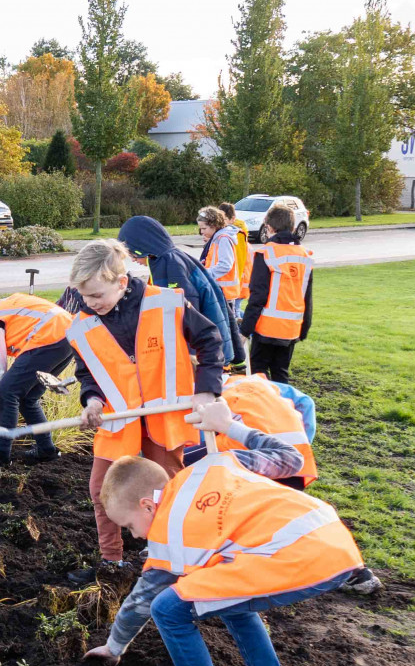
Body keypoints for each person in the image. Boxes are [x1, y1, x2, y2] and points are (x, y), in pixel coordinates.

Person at [91, 444, 380, 666]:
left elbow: (141, 601)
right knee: (224, 595)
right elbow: (282, 458)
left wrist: (114, 647)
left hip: (293, 554)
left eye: (130, 526)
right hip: (331, 540)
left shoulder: (169, 530)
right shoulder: (205, 469)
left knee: (168, 608)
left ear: (148, 506)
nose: (135, 537)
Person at [64, 240, 225, 570]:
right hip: (118, 418)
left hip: (163, 417)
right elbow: (88, 372)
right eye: (84, 296)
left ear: (121, 283)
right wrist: (92, 400)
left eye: (97, 295)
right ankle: (112, 560)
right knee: (100, 489)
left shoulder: (167, 304)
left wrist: (207, 390)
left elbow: (211, 342)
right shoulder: (82, 325)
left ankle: (169, 554)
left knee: (167, 488)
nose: (91, 303)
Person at [0, 290, 75, 464]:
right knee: (27, 397)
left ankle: (1, 454)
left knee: (6, 391)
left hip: (49, 336)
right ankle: (46, 449)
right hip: (65, 336)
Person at [118, 214, 236, 354]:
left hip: (194, 354)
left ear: (143, 247)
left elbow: (185, 317)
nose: (133, 259)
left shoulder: (169, 266)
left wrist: (189, 356)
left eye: (133, 254)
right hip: (206, 347)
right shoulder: (172, 259)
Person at [198, 371, 317, 488]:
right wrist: (305, 439)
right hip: (295, 463)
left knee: (189, 461)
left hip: (245, 460)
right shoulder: (262, 383)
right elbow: (307, 403)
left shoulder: (207, 395)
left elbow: (204, 427)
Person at [240, 200, 314, 383]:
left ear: (269, 227)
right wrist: (304, 328)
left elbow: (258, 296)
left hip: (266, 327)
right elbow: (307, 297)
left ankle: (265, 410)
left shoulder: (266, 253)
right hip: (291, 329)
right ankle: (284, 410)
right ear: (293, 226)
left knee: (259, 375)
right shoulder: (305, 255)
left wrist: (245, 330)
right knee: (281, 374)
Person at [198, 206, 248, 372]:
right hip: (222, 291)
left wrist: (205, 274)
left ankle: (230, 362)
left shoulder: (223, 239)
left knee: (226, 330)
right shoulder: (219, 237)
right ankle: (232, 362)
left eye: (204, 228)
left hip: (225, 293)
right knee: (226, 328)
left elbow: (225, 265)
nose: (202, 232)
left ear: (213, 224)